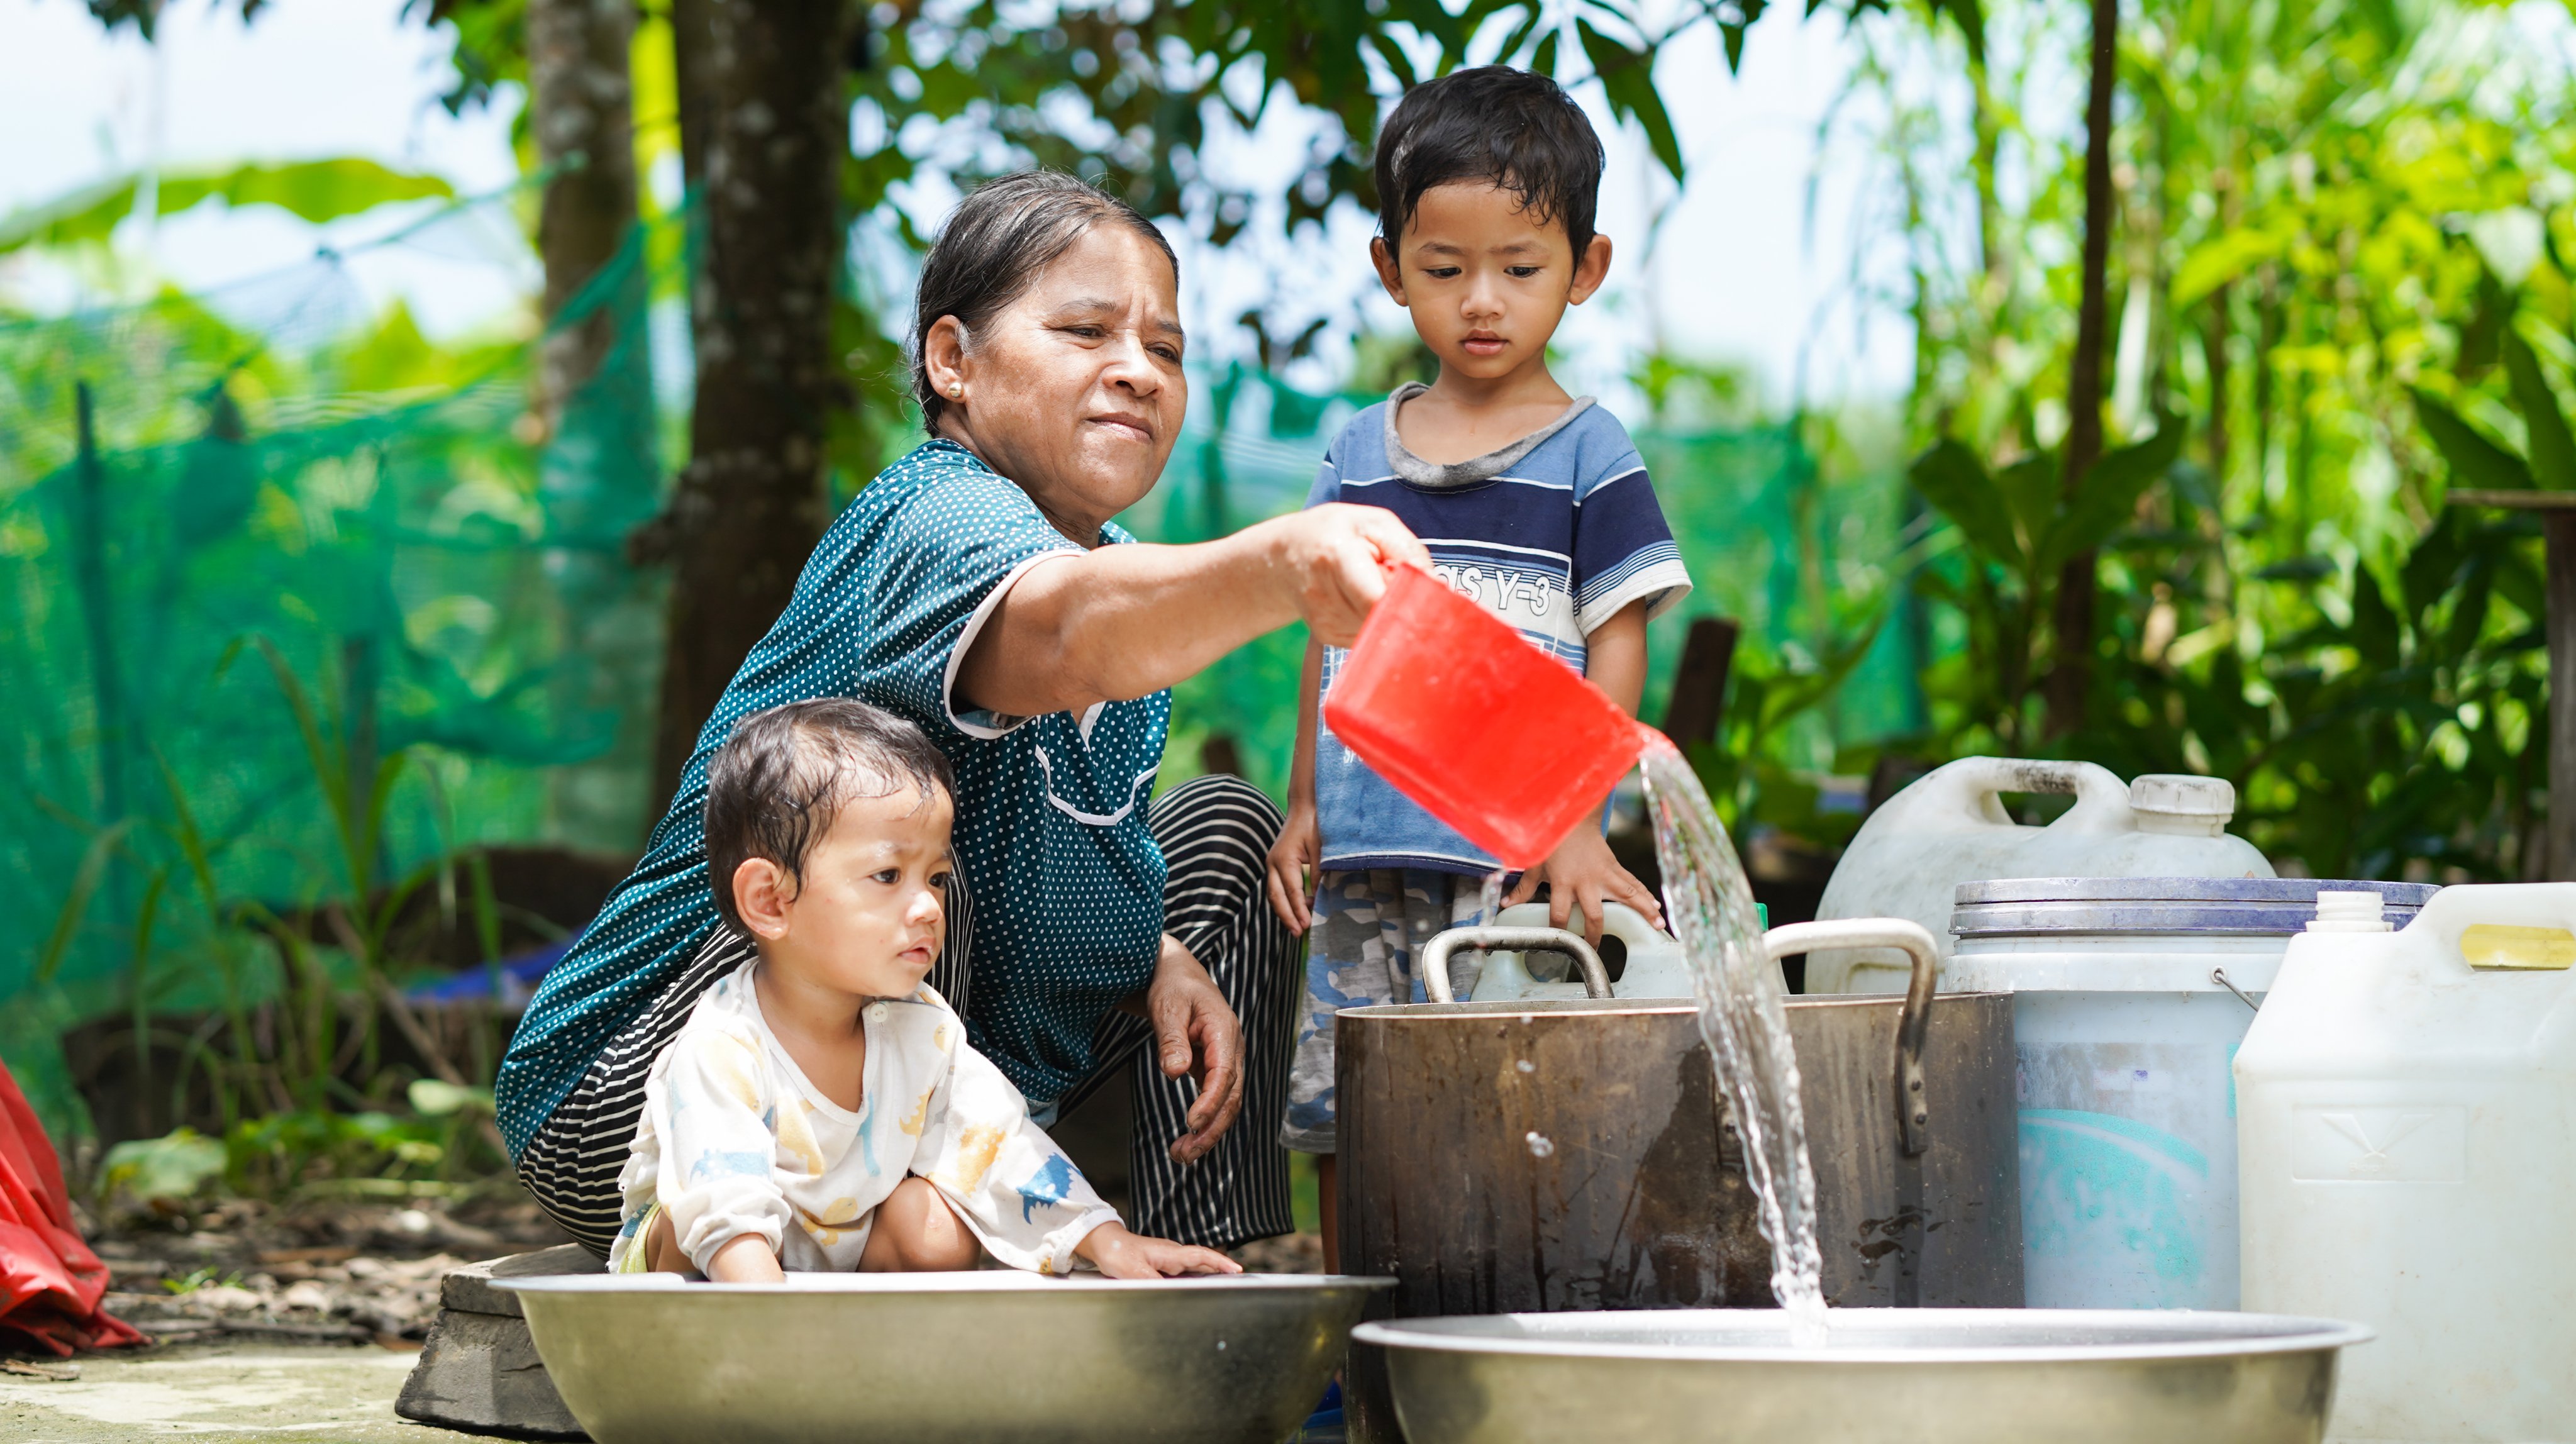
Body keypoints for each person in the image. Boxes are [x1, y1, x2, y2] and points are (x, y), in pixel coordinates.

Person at [499, 170, 1433, 1261]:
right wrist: (1279, 566)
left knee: (1226, 834)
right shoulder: (934, 514)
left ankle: (1193, 1272)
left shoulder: (1128, 595)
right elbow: (1066, 630)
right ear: (954, 361)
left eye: (1166, 349)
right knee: (911, 860)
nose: (1137, 370)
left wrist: (1156, 951)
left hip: (932, 1098)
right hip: (637, 1090)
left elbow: (1071, 826)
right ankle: (799, 1250)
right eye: (1085, 331)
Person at [1263, 67, 1694, 1246]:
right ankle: (1350, 1328)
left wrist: (1576, 822)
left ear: (1585, 269)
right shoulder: (1358, 451)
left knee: (1510, 1106)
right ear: (1391, 269)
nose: (1482, 301)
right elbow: (1325, 636)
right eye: (1446, 270)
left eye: (1520, 267)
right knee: (1348, 1105)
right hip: (1362, 855)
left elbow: (1617, 640)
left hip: (1510, 863)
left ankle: (1500, 1320)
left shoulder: (1590, 453)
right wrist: (1304, 803)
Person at [611, 699, 1236, 1280]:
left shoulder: (920, 1029)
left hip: (832, 1259)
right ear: (771, 900)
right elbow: (722, 1207)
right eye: (888, 875)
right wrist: (783, 1332)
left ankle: (868, 1341)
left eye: (936, 878)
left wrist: (1105, 1240)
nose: (929, 908)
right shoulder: (725, 1044)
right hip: (716, 1265)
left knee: (937, 1229)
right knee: (691, 1233)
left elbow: (999, 1142)